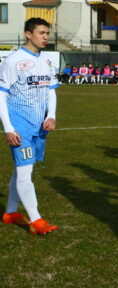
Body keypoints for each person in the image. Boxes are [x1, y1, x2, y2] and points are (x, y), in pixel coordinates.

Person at [0, 18, 59, 234]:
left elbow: (51, 90)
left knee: (23, 169)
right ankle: (37, 220)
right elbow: (1, 95)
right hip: (19, 127)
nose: (45, 37)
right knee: (25, 174)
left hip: (39, 127)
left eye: (47, 33)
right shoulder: (13, 61)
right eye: (41, 33)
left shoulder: (46, 60)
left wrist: (51, 115)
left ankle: (10, 212)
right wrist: (8, 128)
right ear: (28, 34)